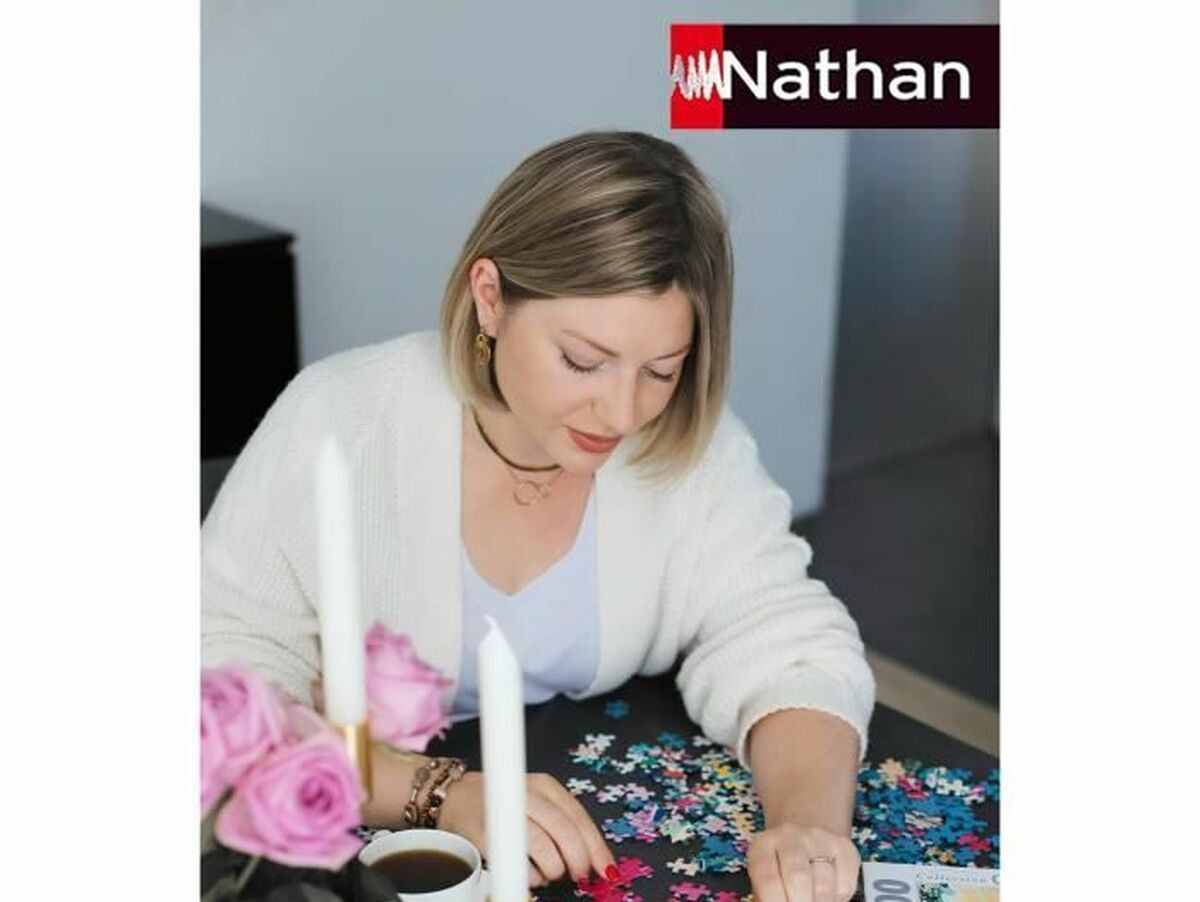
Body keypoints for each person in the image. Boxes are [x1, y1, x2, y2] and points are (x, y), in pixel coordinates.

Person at [202, 130, 874, 902]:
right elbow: (217, 678)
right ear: (490, 298)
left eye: (661, 370)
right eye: (583, 361)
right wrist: (435, 792)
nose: (622, 412)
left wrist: (809, 828)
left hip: (582, 843)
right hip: (367, 864)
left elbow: (787, 643)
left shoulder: (692, 443)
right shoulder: (339, 418)